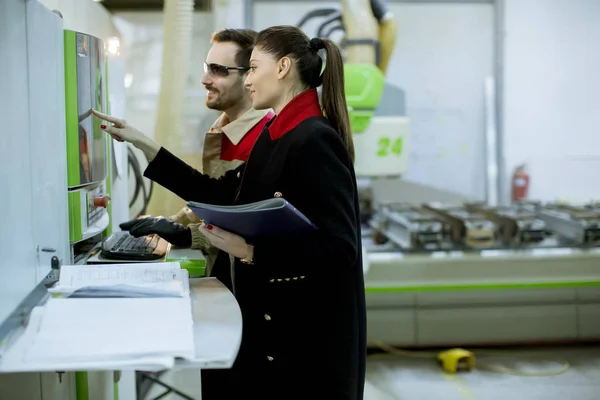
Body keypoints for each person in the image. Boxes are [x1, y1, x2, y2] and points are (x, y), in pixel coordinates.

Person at [94, 25, 366, 400]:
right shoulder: (277, 133)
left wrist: (250, 251)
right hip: (269, 327)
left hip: (303, 341)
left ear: (283, 67)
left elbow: (340, 249)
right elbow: (221, 193)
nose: (249, 81)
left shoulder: (314, 139)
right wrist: (144, 144)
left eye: (253, 68)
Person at [118, 28, 273, 282]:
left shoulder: (263, 139)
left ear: (250, 76)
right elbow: (212, 198)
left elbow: (242, 221)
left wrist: (187, 233)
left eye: (218, 70)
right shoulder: (221, 130)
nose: (204, 79)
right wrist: (170, 222)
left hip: (247, 279)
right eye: (206, 67)